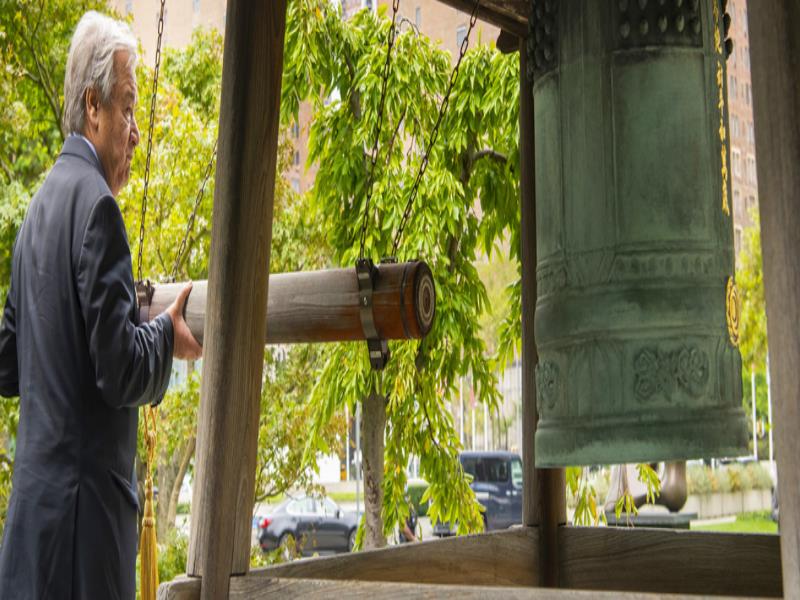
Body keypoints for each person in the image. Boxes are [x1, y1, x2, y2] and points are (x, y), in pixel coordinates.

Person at [0, 11, 202, 599]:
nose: (136, 130)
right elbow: (118, 371)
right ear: (94, 106)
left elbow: (9, 363)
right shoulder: (99, 209)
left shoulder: (37, 208)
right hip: (83, 546)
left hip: (32, 534)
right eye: (129, 109)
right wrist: (165, 331)